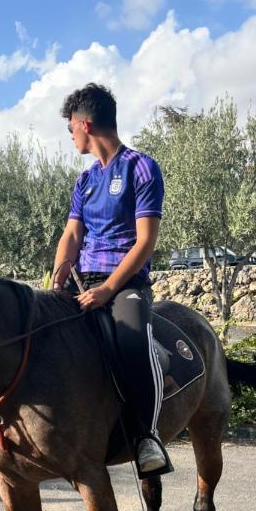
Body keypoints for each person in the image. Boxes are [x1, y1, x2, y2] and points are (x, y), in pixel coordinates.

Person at [52, 82, 172, 477]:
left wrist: (108, 290)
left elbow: (145, 242)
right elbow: (71, 236)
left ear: (85, 124)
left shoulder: (141, 167)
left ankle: (147, 436)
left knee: (134, 343)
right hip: (82, 278)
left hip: (125, 283)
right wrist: (57, 281)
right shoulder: (84, 181)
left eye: (71, 126)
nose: (70, 134)